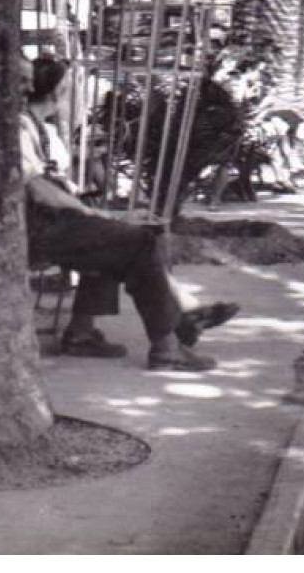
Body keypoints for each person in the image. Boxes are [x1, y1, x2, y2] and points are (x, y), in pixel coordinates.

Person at [21, 56, 232, 371]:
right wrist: (87, 212)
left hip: (56, 218)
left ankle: (82, 333)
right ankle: (168, 345)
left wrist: (96, 213)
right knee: (136, 242)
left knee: (119, 239)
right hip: (37, 226)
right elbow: (38, 188)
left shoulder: (43, 129)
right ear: (58, 92)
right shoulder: (19, 128)